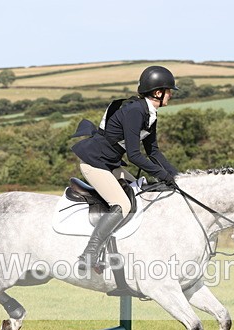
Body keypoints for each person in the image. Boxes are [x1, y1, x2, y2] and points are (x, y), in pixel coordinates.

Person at [71, 65, 180, 272]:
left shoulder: (149, 113)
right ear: (158, 92)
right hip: (94, 163)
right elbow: (134, 155)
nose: (171, 95)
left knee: (142, 193)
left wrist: (177, 177)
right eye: (169, 91)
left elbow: (153, 152)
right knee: (122, 203)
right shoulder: (135, 111)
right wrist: (164, 176)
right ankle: (89, 254)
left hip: (110, 164)